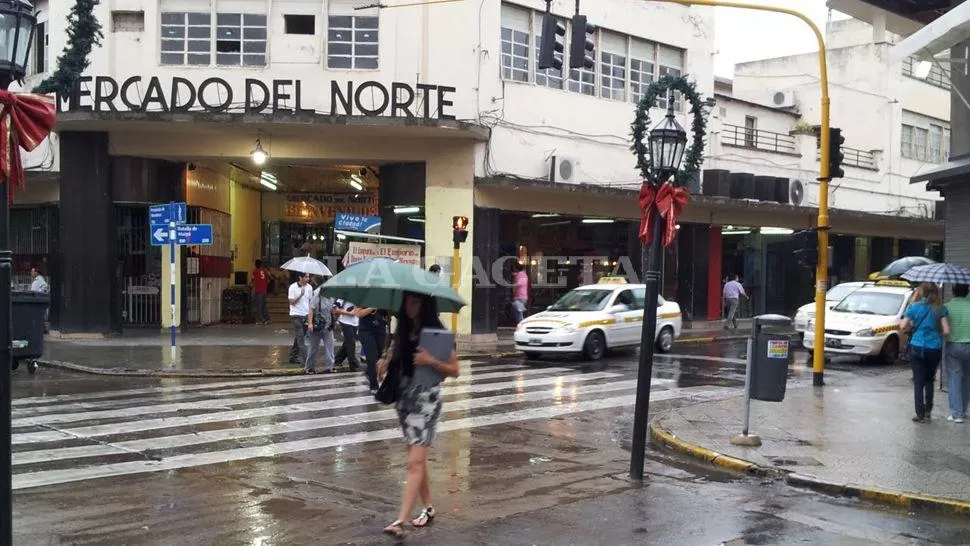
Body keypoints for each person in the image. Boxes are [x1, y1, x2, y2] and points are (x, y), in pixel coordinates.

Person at [377, 292, 459, 538]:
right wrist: (384, 363)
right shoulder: (402, 332)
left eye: (415, 302)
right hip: (404, 401)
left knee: (414, 461)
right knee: (417, 459)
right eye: (407, 302)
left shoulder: (436, 332)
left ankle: (400, 521)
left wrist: (430, 360)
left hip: (427, 403)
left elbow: (455, 370)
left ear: (425, 305)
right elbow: (393, 360)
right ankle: (428, 507)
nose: (409, 307)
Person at [901, 283, 951, 423]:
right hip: (934, 347)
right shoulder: (940, 309)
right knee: (929, 379)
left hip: (916, 346)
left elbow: (903, 326)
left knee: (918, 381)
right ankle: (928, 410)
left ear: (921, 292)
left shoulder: (914, 307)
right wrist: (938, 332)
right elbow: (946, 331)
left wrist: (913, 325)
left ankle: (920, 414)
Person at [945, 283, 970, 423]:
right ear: (967, 291)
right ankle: (964, 409)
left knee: (954, 378)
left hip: (954, 346)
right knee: (967, 378)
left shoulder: (947, 307)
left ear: (953, 292)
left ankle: (957, 413)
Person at [306, 278, 336, 375]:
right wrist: (310, 323)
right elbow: (311, 309)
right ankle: (309, 367)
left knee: (330, 347)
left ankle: (329, 367)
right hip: (317, 326)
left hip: (327, 325)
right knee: (313, 347)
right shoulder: (317, 296)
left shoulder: (332, 297)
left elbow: (333, 309)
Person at [358, 307, 389, 393]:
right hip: (366, 331)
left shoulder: (385, 299)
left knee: (379, 357)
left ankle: (371, 374)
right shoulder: (366, 297)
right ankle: (374, 386)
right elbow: (358, 313)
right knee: (372, 357)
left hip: (380, 330)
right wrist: (372, 308)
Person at [287, 273, 312, 365]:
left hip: (305, 315)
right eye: (306, 277)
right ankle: (306, 360)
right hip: (296, 315)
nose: (308, 279)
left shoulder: (309, 287)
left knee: (299, 337)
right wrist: (300, 294)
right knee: (301, 337)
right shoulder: (293, 287)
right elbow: (291, 302)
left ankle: (293, 356)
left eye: (308, 277)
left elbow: (310, 301)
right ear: (300, 277)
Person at [333, 298, 361, 372]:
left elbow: (354, 313)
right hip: (345, 323)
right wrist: (340, 311)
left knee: (347, 343)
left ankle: (338, 359)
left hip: (355, 323)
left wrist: (340, 311)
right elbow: (334, 310)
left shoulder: (357, 299)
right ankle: (353, 363)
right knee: (351, 344)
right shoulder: (341, 299)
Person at [251, 259, 270, 324]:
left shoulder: (255, 271)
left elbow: (253, 281)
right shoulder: (264, 271)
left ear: (255, 265)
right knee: (264, 305)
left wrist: (253, 290)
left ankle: (261, 320)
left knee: (258, 305)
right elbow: (268, 281)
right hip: (264, 290)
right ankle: (267, 318)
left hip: (258, 290)